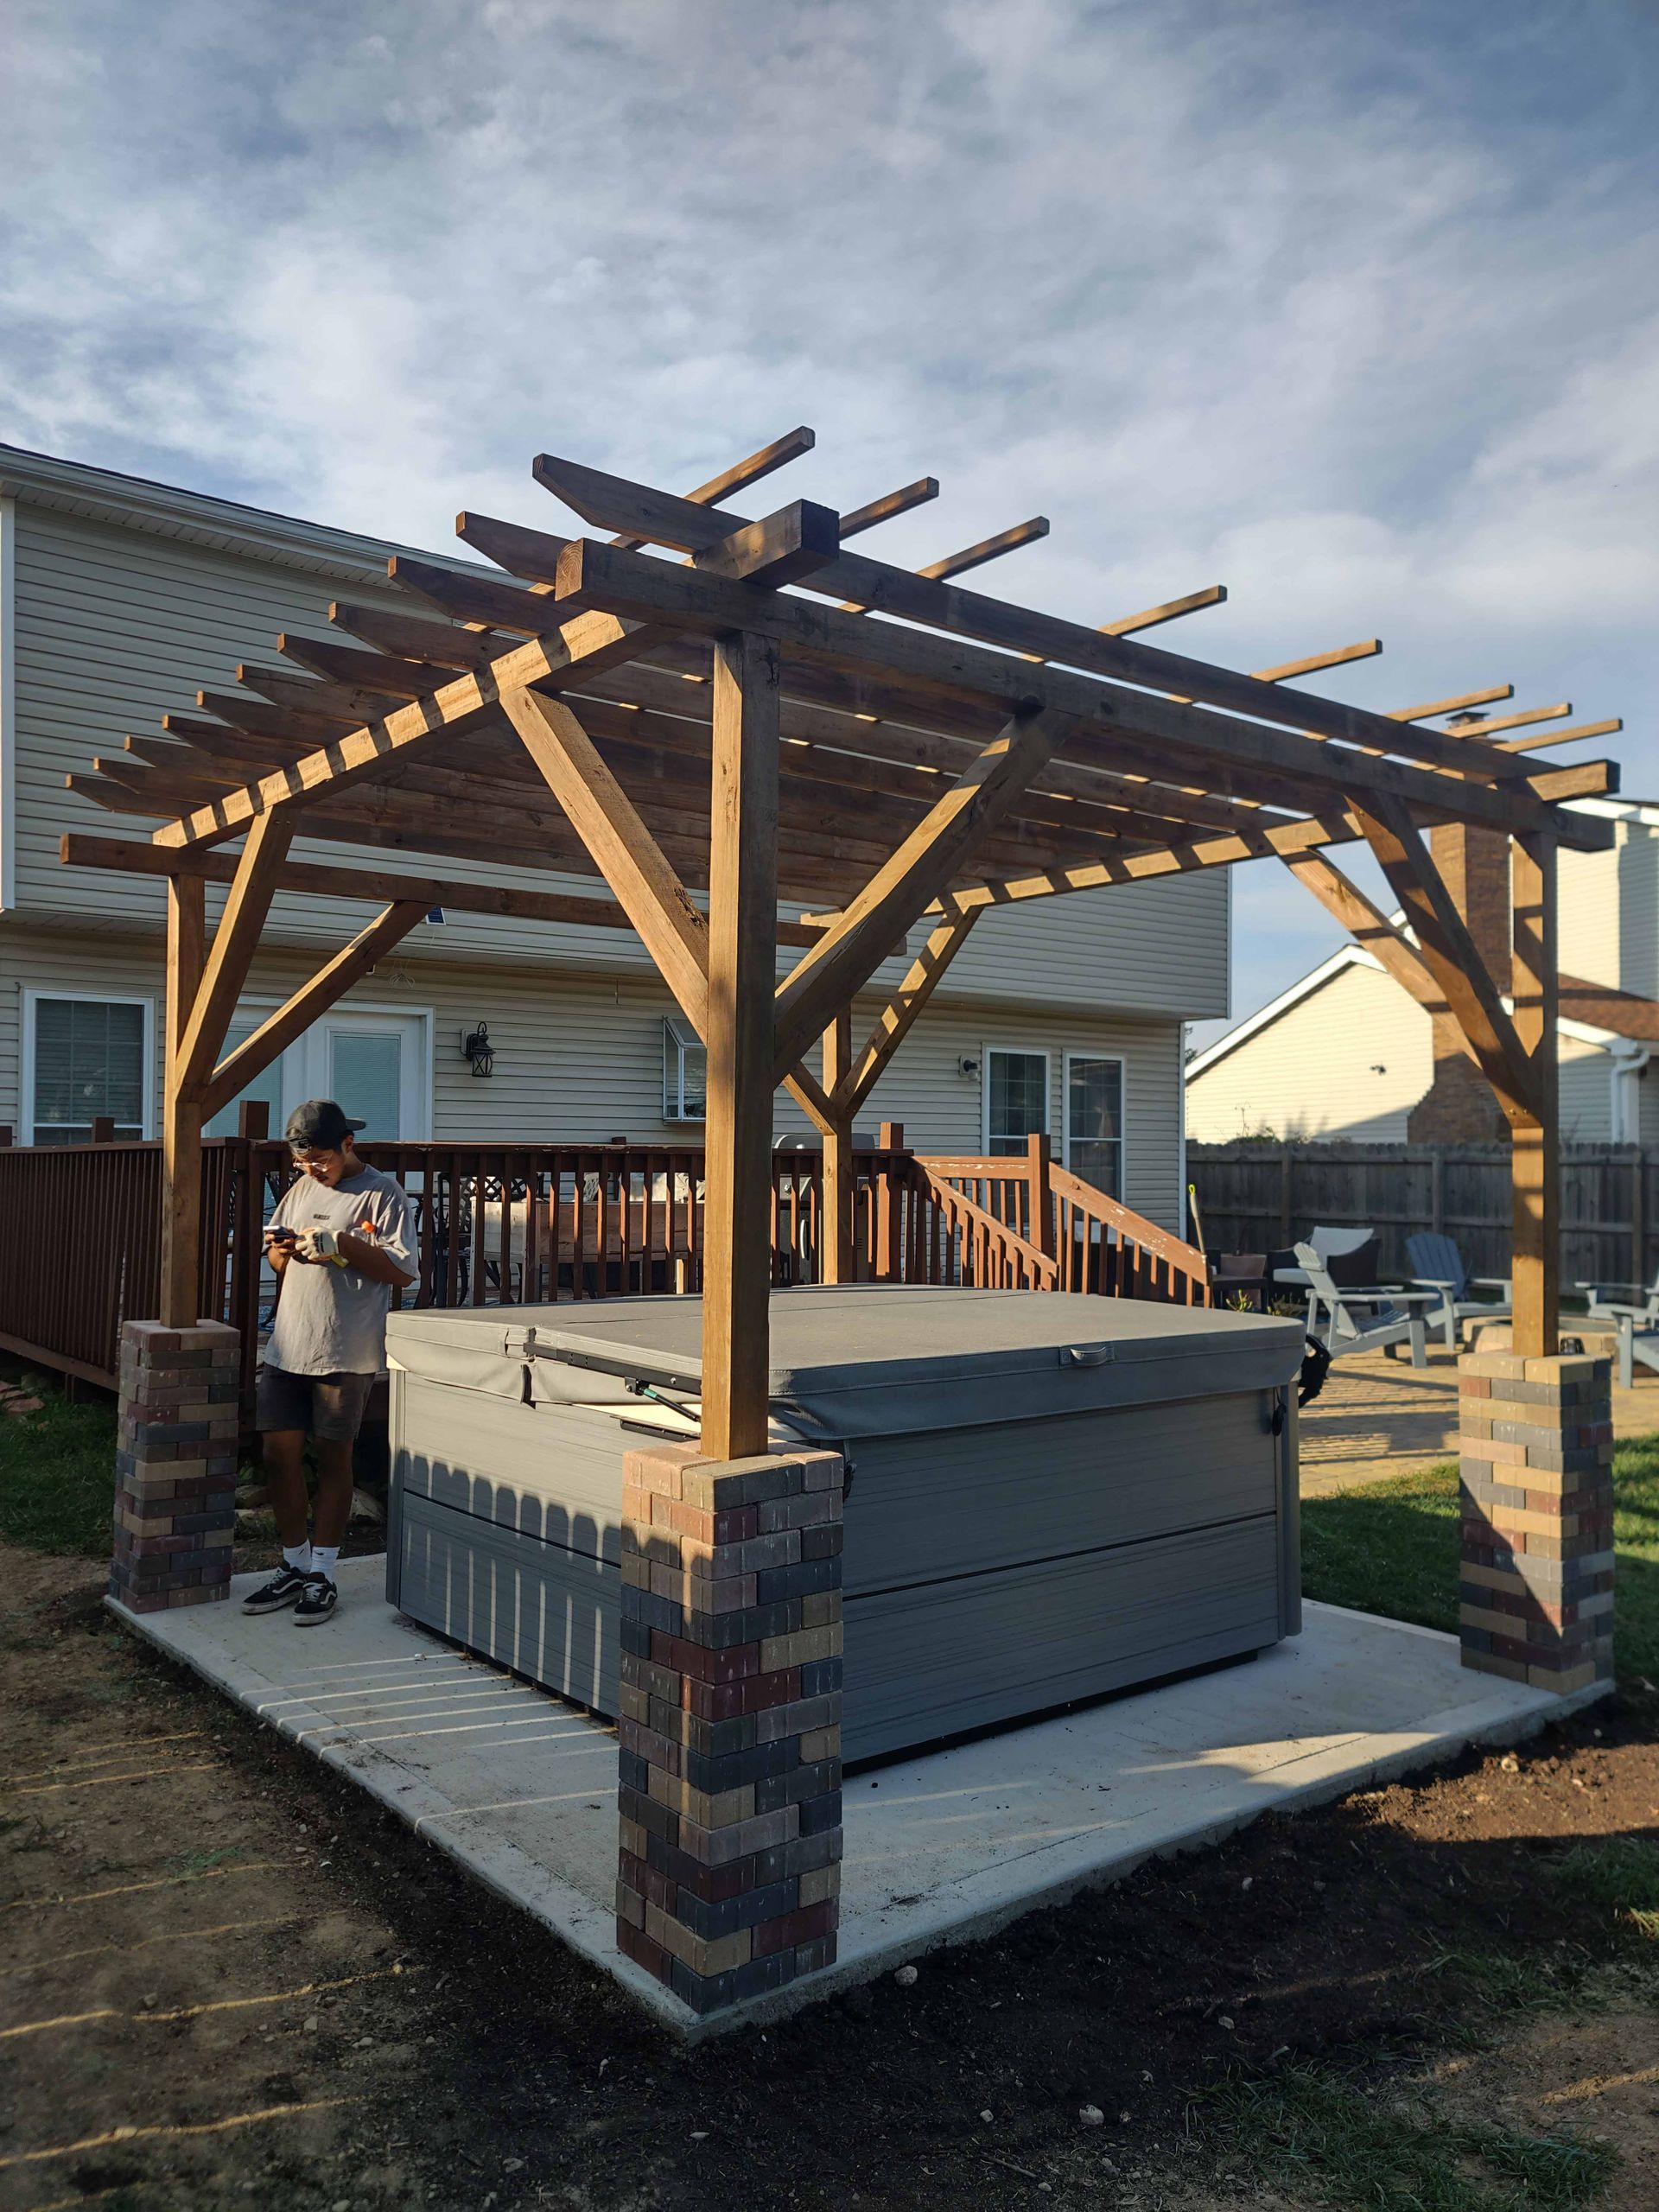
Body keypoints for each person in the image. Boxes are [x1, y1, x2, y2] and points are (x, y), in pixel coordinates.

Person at [241, 1100, 417, 1626]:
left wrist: (341, 1245)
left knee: (334, 1458)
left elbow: (402, 1273)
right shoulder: (301, 1188)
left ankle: (323, 1572)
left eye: (321, 1159)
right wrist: (286, 1252)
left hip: (347, 1348)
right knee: (277, 1452)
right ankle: (293, 1563)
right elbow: (274, 1255)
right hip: (289, 1344)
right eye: (302, 1161)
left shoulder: (384, 1195)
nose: (312, 1169)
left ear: (347, 1145)